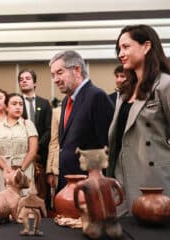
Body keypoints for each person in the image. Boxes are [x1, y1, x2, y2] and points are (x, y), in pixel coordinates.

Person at [107, 24, 170, 216]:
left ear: (146, 46)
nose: (121, 53)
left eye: (126, 47)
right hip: (121, 179)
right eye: (119, 49)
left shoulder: (165, 84)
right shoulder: (124, 91)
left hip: (154, 183)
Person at [49, 50, 114, 191]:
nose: (55, 79)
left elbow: (108, 146)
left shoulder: (97, 96)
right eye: (53, 75)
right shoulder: (67, 100)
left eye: (60, 72)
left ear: (77, 70)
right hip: (68, 185)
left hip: (89, 188)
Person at [0, 93, 38, 193]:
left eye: (21, 104)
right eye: (14, 104)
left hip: (24, 168)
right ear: (6, 107)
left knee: (24, 201)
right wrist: (5, 168)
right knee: (3, 202)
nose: (18, 107)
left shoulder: (28, 124)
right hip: (3, 170)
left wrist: (21, 169)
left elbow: (33, 150)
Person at [18, 69, 51, 200]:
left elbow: (49, 129)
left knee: (41, 189)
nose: (24, 81)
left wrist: (36, 147)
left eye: (27, 78)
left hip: (41, 154)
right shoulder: (16, 102)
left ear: (35, 83)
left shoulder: (44, 103)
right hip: (21, 152)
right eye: (21, 79)